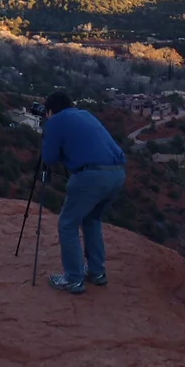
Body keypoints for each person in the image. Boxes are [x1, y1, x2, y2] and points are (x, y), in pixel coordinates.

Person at [40, 90, 127, 295]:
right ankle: (97, 272)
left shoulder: (55, 121)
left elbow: (50, 158)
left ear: (50, 111)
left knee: (67, 224)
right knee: (91, 219)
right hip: (117, 174)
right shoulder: (85, 114)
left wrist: (48, 135)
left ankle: (73, 278)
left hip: (91, 176)